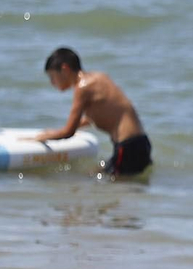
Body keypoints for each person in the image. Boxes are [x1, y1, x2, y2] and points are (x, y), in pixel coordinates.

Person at [34, 47, 151, 177]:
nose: (52, 83)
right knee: (96, 174)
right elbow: (103, 113)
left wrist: (42, 137)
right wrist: (65, 129)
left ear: (64, 69)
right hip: (140, 143)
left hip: (127, 148)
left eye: (52, 77)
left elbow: (68, 132)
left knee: (117, 189)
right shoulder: (99, 77)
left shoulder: (83, 88)